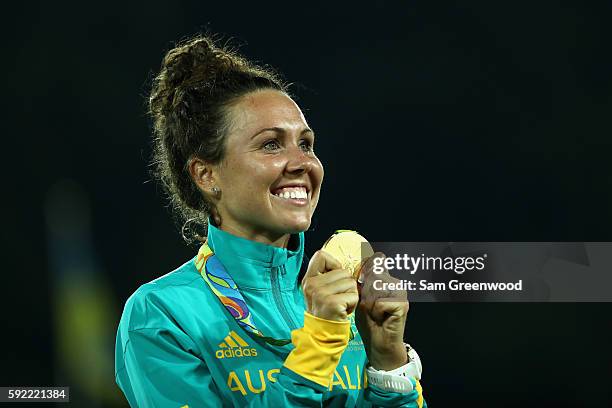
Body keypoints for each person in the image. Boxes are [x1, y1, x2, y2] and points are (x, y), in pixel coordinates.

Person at [115, 35, 427, 407]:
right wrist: (317, 348)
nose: (302, 163)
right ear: (206, 175)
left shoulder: (342, 300)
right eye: (271, 145)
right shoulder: (164, 315)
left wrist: (388, 362)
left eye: (306, 144)